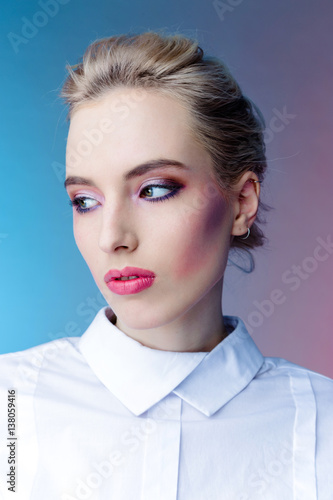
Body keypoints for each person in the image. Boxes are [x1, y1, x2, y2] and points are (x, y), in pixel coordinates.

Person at [0, 31, 332, 500]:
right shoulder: (7, 406)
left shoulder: (324, 426)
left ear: (241, 204)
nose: (113, 237)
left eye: (154, 189)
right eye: (85, 200)